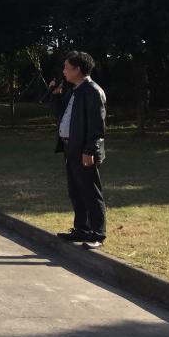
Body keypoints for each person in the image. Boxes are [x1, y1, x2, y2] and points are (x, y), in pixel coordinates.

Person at [49, 51, 108, 249]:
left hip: (85, 151)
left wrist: (90, 150)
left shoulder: (92, 92)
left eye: (67, 67)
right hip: (70, 148)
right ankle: (81, 228)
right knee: (76, 191)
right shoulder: (74, 90)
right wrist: (56, 95)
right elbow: (62, 116)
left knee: (91, 192)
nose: (64, 71)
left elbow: (97, 126)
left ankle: (98, 234)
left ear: (78, 69)